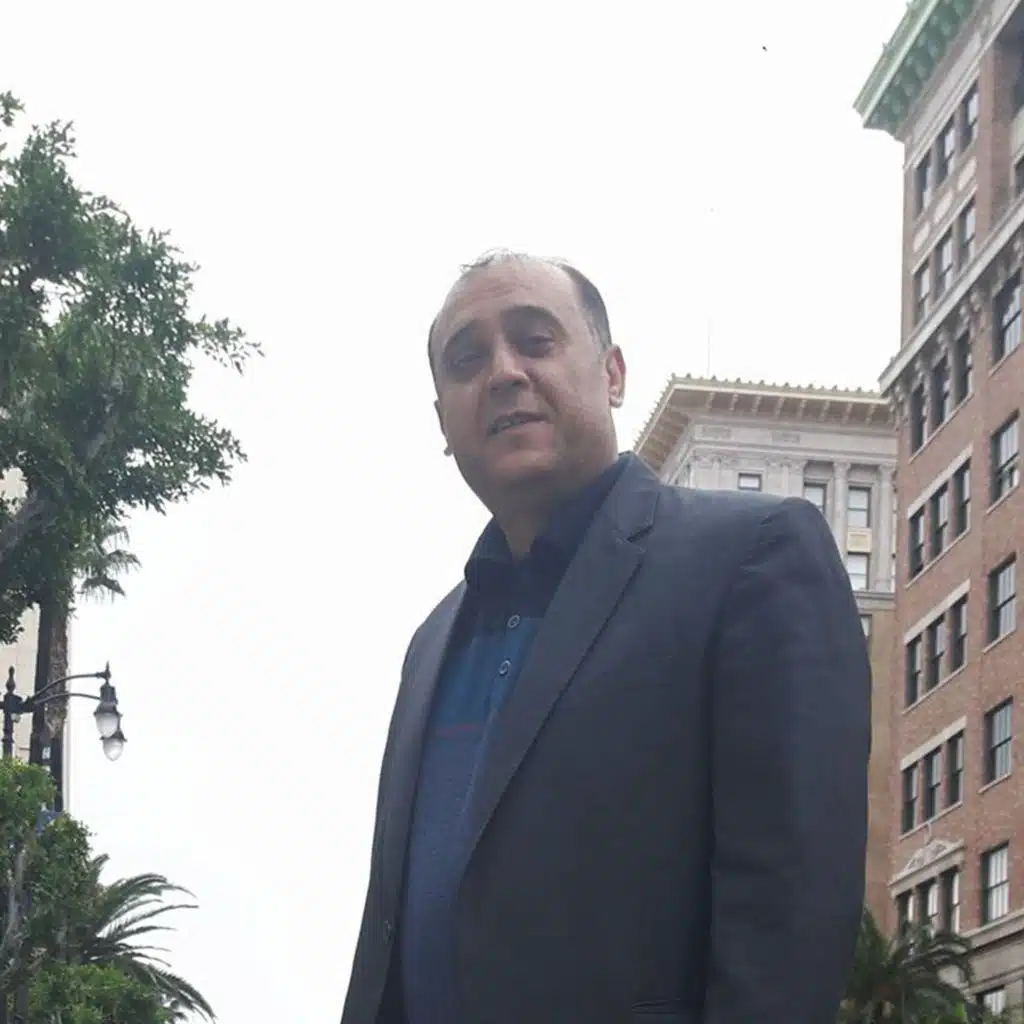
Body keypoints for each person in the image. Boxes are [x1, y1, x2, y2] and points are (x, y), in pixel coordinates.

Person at [340, 251, 870, 1024]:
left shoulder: (752, 558)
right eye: (467, 360)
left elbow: (790, 916)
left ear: (613, 374)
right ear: (443, 422)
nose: (504, 373)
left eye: (535, 340)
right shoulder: (430, 645)